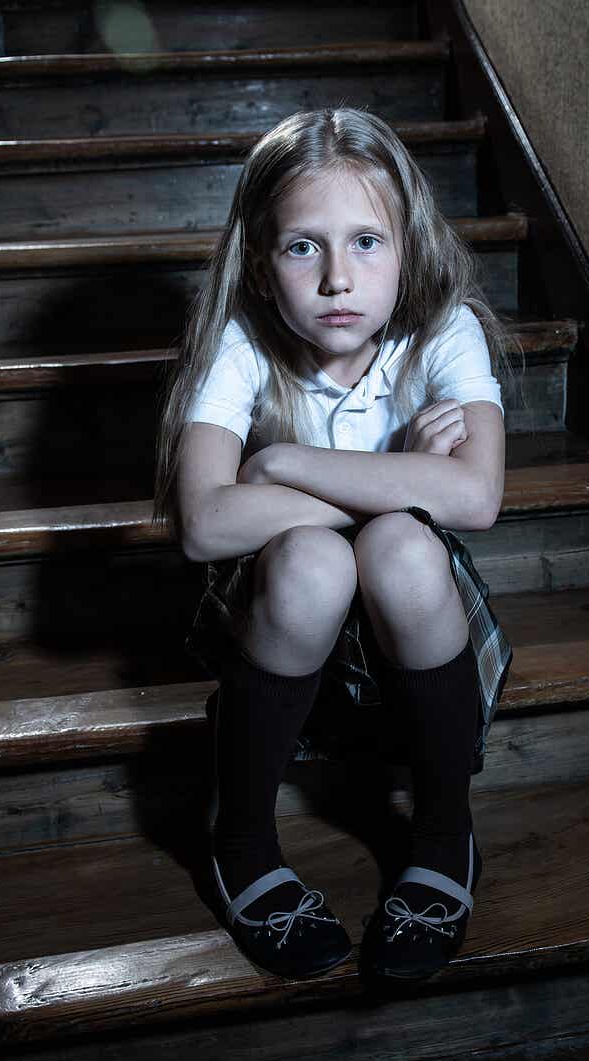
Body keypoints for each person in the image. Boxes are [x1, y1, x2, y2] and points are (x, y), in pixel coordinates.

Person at [152, 107, 517, 982]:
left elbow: (475, 498)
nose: (337, 280)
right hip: (283, 617)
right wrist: (393, 476)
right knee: (321, 558)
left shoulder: (444, 331)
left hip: (405, 619)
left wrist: (282, 466)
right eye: (302, 247)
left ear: (409, 245)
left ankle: (441, 836)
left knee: (401, 549)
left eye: (366, 241)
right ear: (261, 260)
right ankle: (239, 837)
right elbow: (204, 524)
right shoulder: (239, 344)